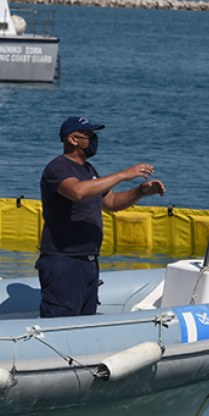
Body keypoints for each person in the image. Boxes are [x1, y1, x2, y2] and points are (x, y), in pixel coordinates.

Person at [36, 116, 166, 318]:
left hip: (89, 262)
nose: (94, 139)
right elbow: (77, 191)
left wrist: (140, 191)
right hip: (63, 261)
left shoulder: (89, 170)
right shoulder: (58, 167)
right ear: (73, 139)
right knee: (61, 322)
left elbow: (112, 202)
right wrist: (123, 175)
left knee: (86, 322)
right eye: (89, 135)